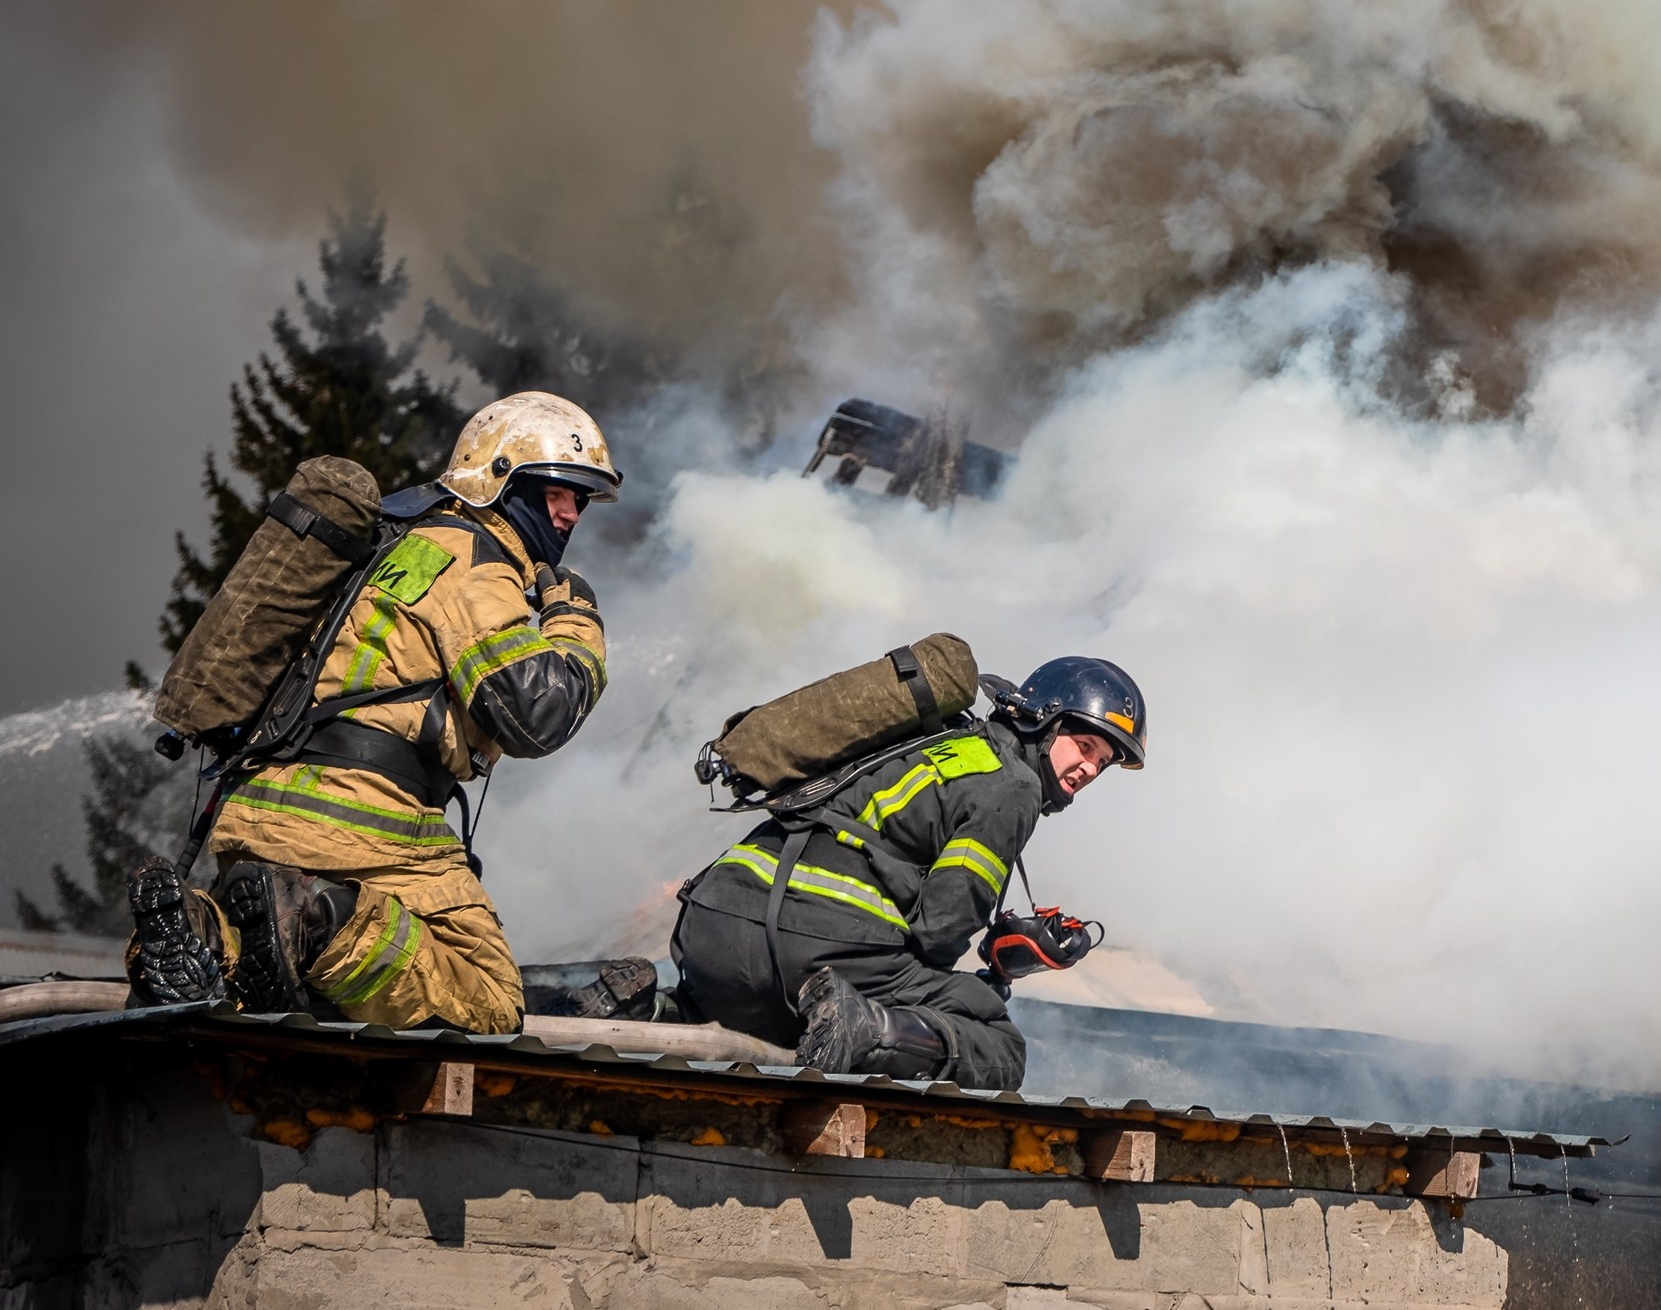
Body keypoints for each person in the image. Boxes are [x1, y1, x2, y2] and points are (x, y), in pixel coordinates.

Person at [125, 390, 620, 1032]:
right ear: (498, 479)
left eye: (581, 499)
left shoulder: (403, 545)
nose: (570, 513)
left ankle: (202, 930)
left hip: (268, 802)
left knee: (261, 978)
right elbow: (536, 713)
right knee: (490, 999)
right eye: (556, 490)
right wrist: (575, 620)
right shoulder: (476, 560)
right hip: (363, 817)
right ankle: (316, 923)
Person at [670, 656, 1145, 1089]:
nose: (1088, 769)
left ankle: (655, 1008)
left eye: (1101, 763)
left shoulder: (940, 741)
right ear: (1043, 720)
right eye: (1083, 745)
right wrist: (965, 994)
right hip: (811, 947)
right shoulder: (1013, 786)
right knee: (998, 1043)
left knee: (756, 1008)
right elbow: (939, 931)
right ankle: (867, 1033)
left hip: (711, 930)